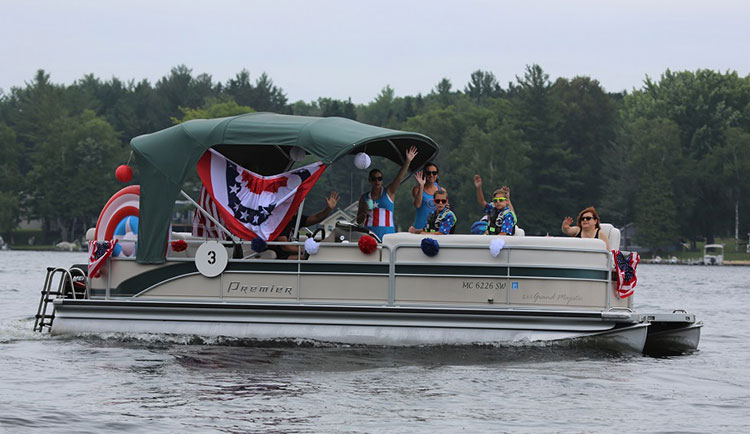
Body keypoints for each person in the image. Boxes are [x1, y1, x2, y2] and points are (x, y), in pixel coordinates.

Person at [356, 146, 418, 240]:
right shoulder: (364, 197)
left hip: (388, 235)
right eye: (374, 179)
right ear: (370, 180)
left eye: (379, 179)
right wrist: (365, 212)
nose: (377, 181)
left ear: (382, 180)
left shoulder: (389, 192)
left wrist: (408, 161)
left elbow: (399, 177)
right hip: (370, 234)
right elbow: (358, 221)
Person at [271, 191, 339, 259]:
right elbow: (285, 246)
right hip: (281, 256)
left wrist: (329, 209)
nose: (297, 208)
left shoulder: (296, 220)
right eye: (294, 205)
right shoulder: (279, 222)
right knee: (308, 258)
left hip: (290, 254)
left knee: (313, 257)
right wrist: (305, 250)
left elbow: (316, 218)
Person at [411, 162, 446, 230]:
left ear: (437, 175)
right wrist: (421, 186)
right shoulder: (417, 189)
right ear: (424, 174)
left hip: (435, 229)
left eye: (434, 173)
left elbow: (444, 211)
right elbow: (417, 205)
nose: (431, 175)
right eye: (428, 173)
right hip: (420, 228)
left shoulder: (442, 190)